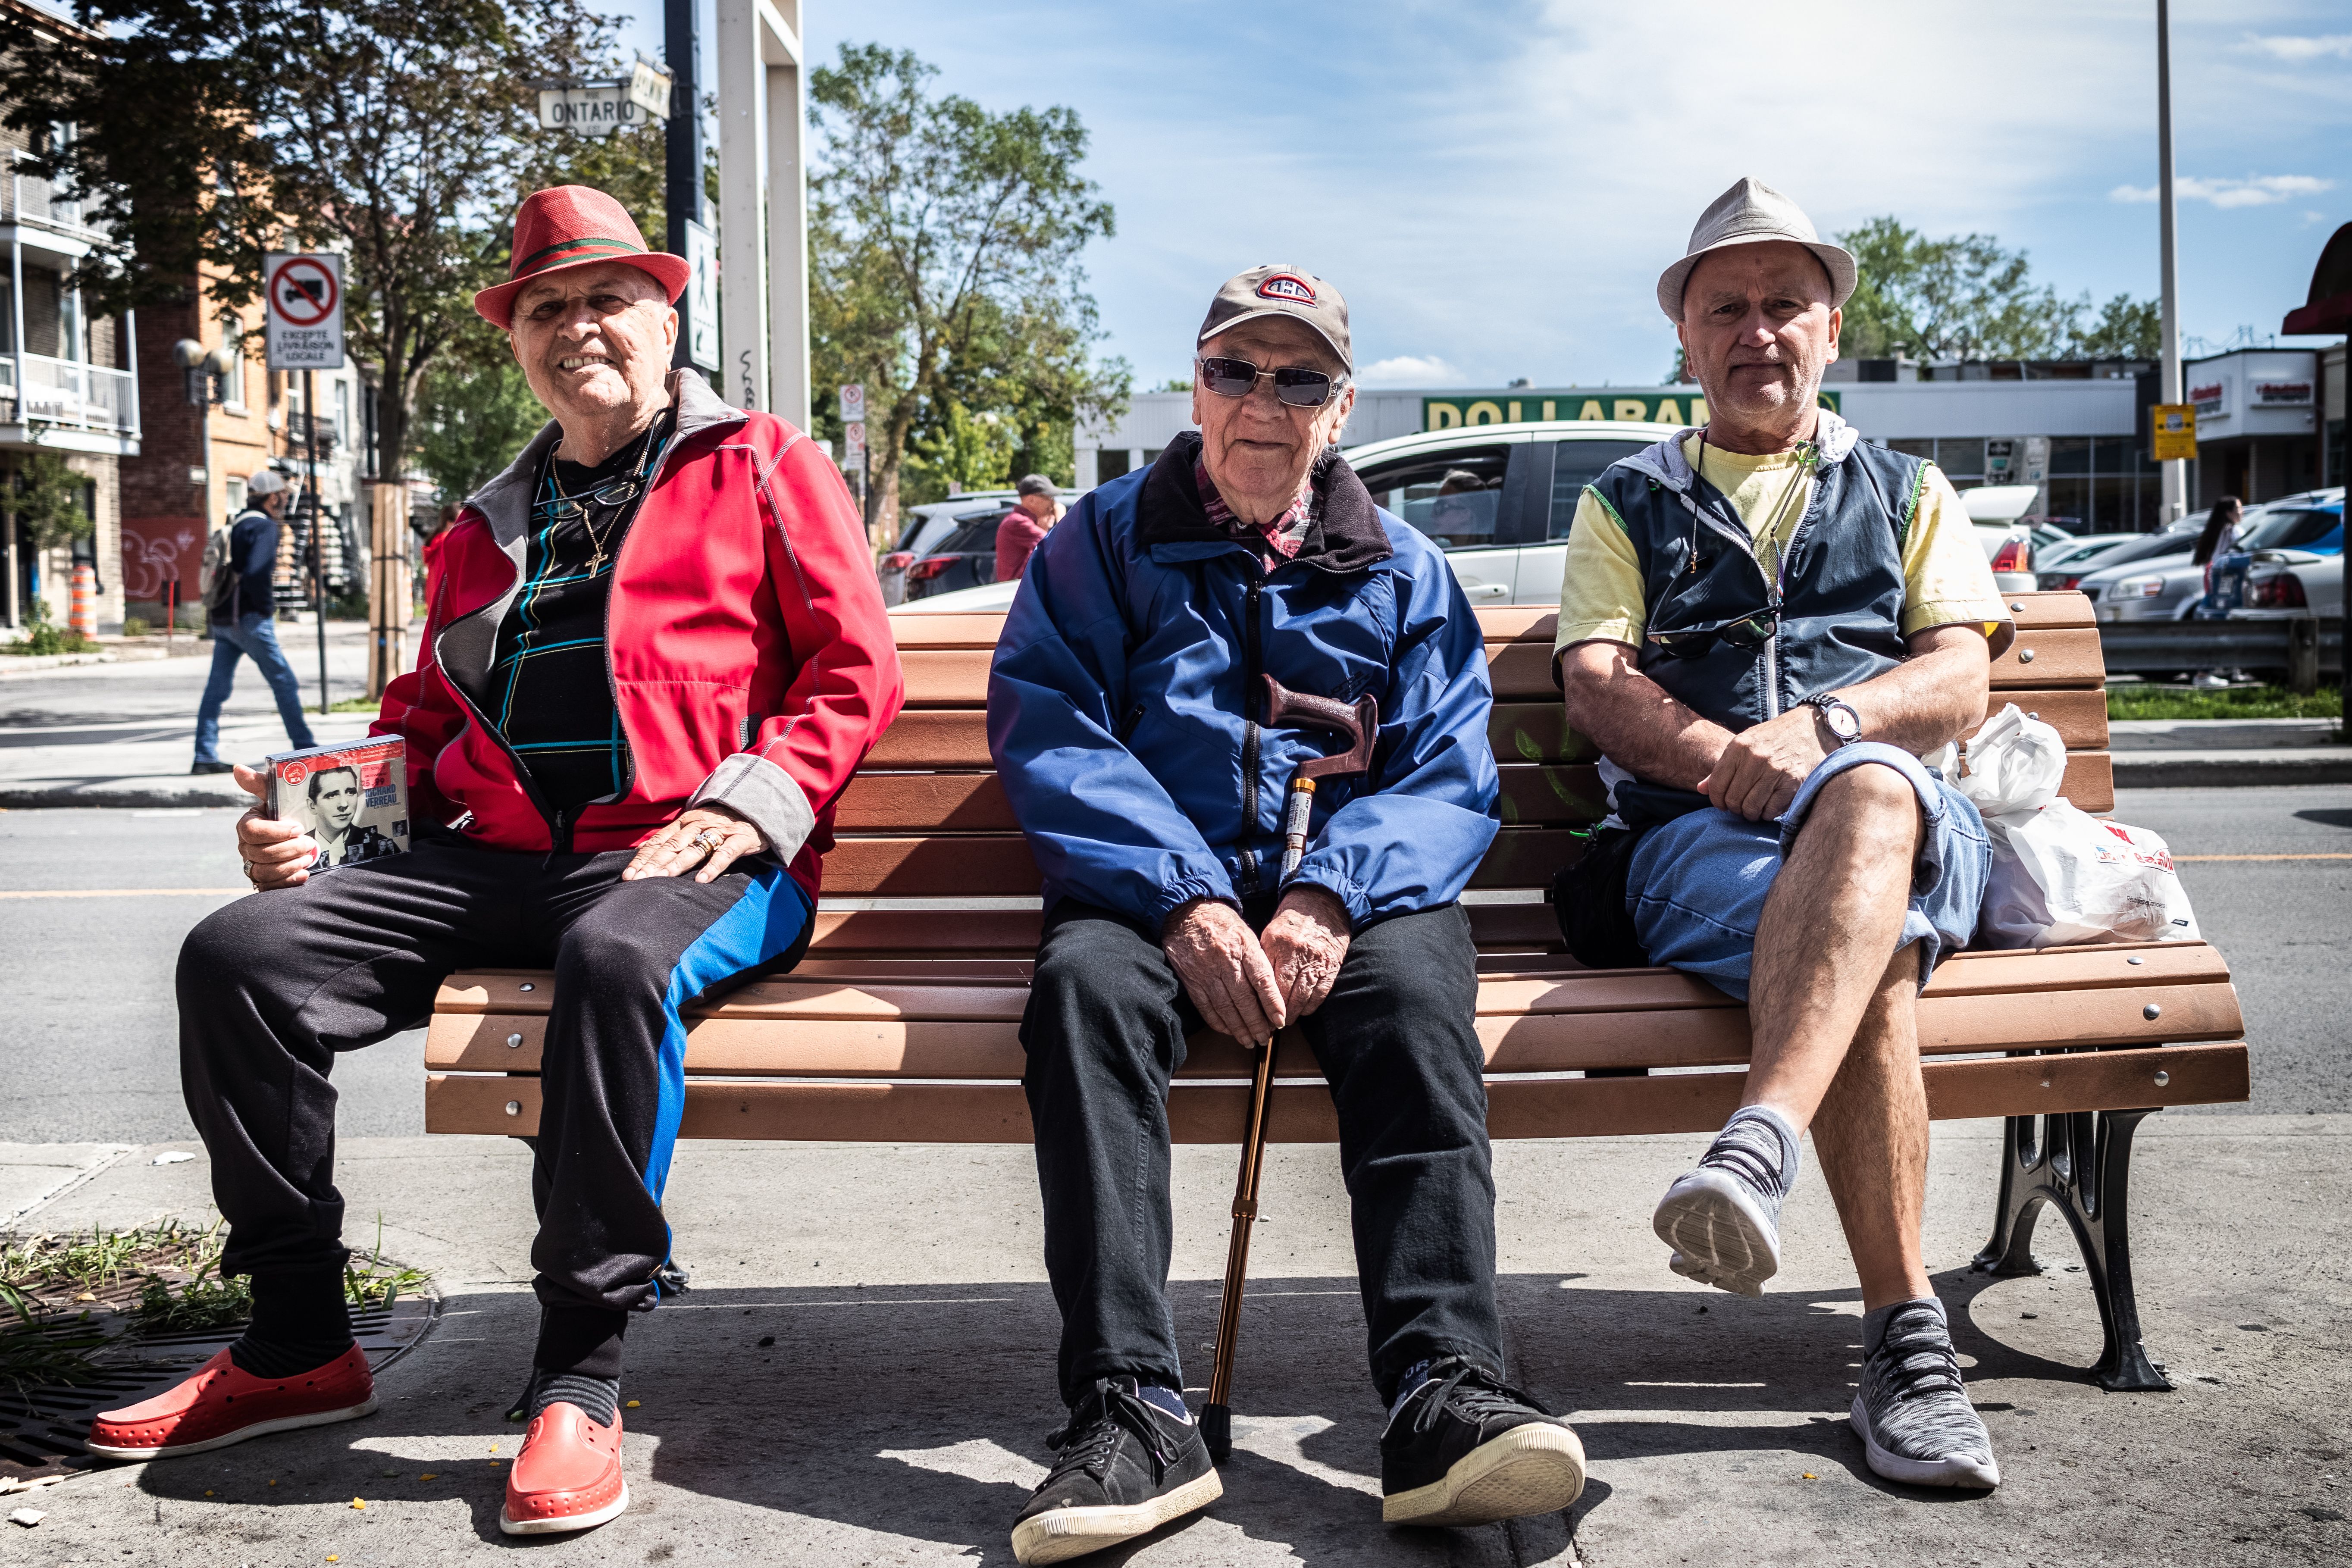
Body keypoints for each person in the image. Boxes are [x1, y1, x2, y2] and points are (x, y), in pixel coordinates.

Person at [88, 186, 905, 1538]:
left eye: (604, 298)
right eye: (545, 307)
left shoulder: (760, 464)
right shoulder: (485, 522)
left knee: (609, 951)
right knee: (238, 956)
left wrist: (753, 805)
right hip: (502, 854)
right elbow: (420, 726)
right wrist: (314, 828)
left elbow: (850, 669)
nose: (576, 325)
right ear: (517, 343)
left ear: (663, 315)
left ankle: (580, 1373)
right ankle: (297, 1341)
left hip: (689, 851)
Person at [989, 264, 1585, 1564]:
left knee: (1421, 1002)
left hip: (1355, 894)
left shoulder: (1404, 569)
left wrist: (1328, 893)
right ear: (1196, 386)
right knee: (1080, 998)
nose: (1262, 402)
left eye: (1297, 377)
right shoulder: (1100, 543)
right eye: (1234, 371)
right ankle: (1130, 1405)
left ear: (1342, 404)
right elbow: (1057, 734)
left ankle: (1443, 1392)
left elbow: (1444, 774)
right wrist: (1186, 895)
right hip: (1150, 896)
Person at [1552, 178, 2014, 1491]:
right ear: (1687, 342)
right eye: (1726, 309)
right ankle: (1907, 1343)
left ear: (1829, 327)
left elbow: (1957, 679)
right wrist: (1728, 768)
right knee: (1862, 948)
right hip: (1699, 845)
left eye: (1784, 304)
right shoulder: (1624, 503)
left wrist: (1827, 730)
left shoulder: (1910, 489)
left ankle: (1758, 1141)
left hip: (1911, 821)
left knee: (1870, 799)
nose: (1758, 331)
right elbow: (1595, 679)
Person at [191, 469, 316, 774]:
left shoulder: (237, 521)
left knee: (216, 690)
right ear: (273, 498)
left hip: (222, 618)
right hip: (249, 619)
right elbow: (258, 572)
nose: (286, 501)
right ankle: (306, 749)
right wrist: (263, 611)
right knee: (284, 681)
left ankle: (204, 756)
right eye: (284, 496)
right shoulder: (265, 528)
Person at [302, 765, 398, 868]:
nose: (344, 804)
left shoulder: (380, 844)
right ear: (312, 806)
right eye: (332, 795)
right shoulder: (299, 847)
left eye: (351, 792)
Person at [994, 473, 1065, 582]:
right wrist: (1062, 519)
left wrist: (1043, 528)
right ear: (1032, 500)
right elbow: (1057, 546)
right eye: (1049, 497)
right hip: (1013, 591)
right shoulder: (1018, 522)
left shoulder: (1024, 521)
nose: (1053, 503)